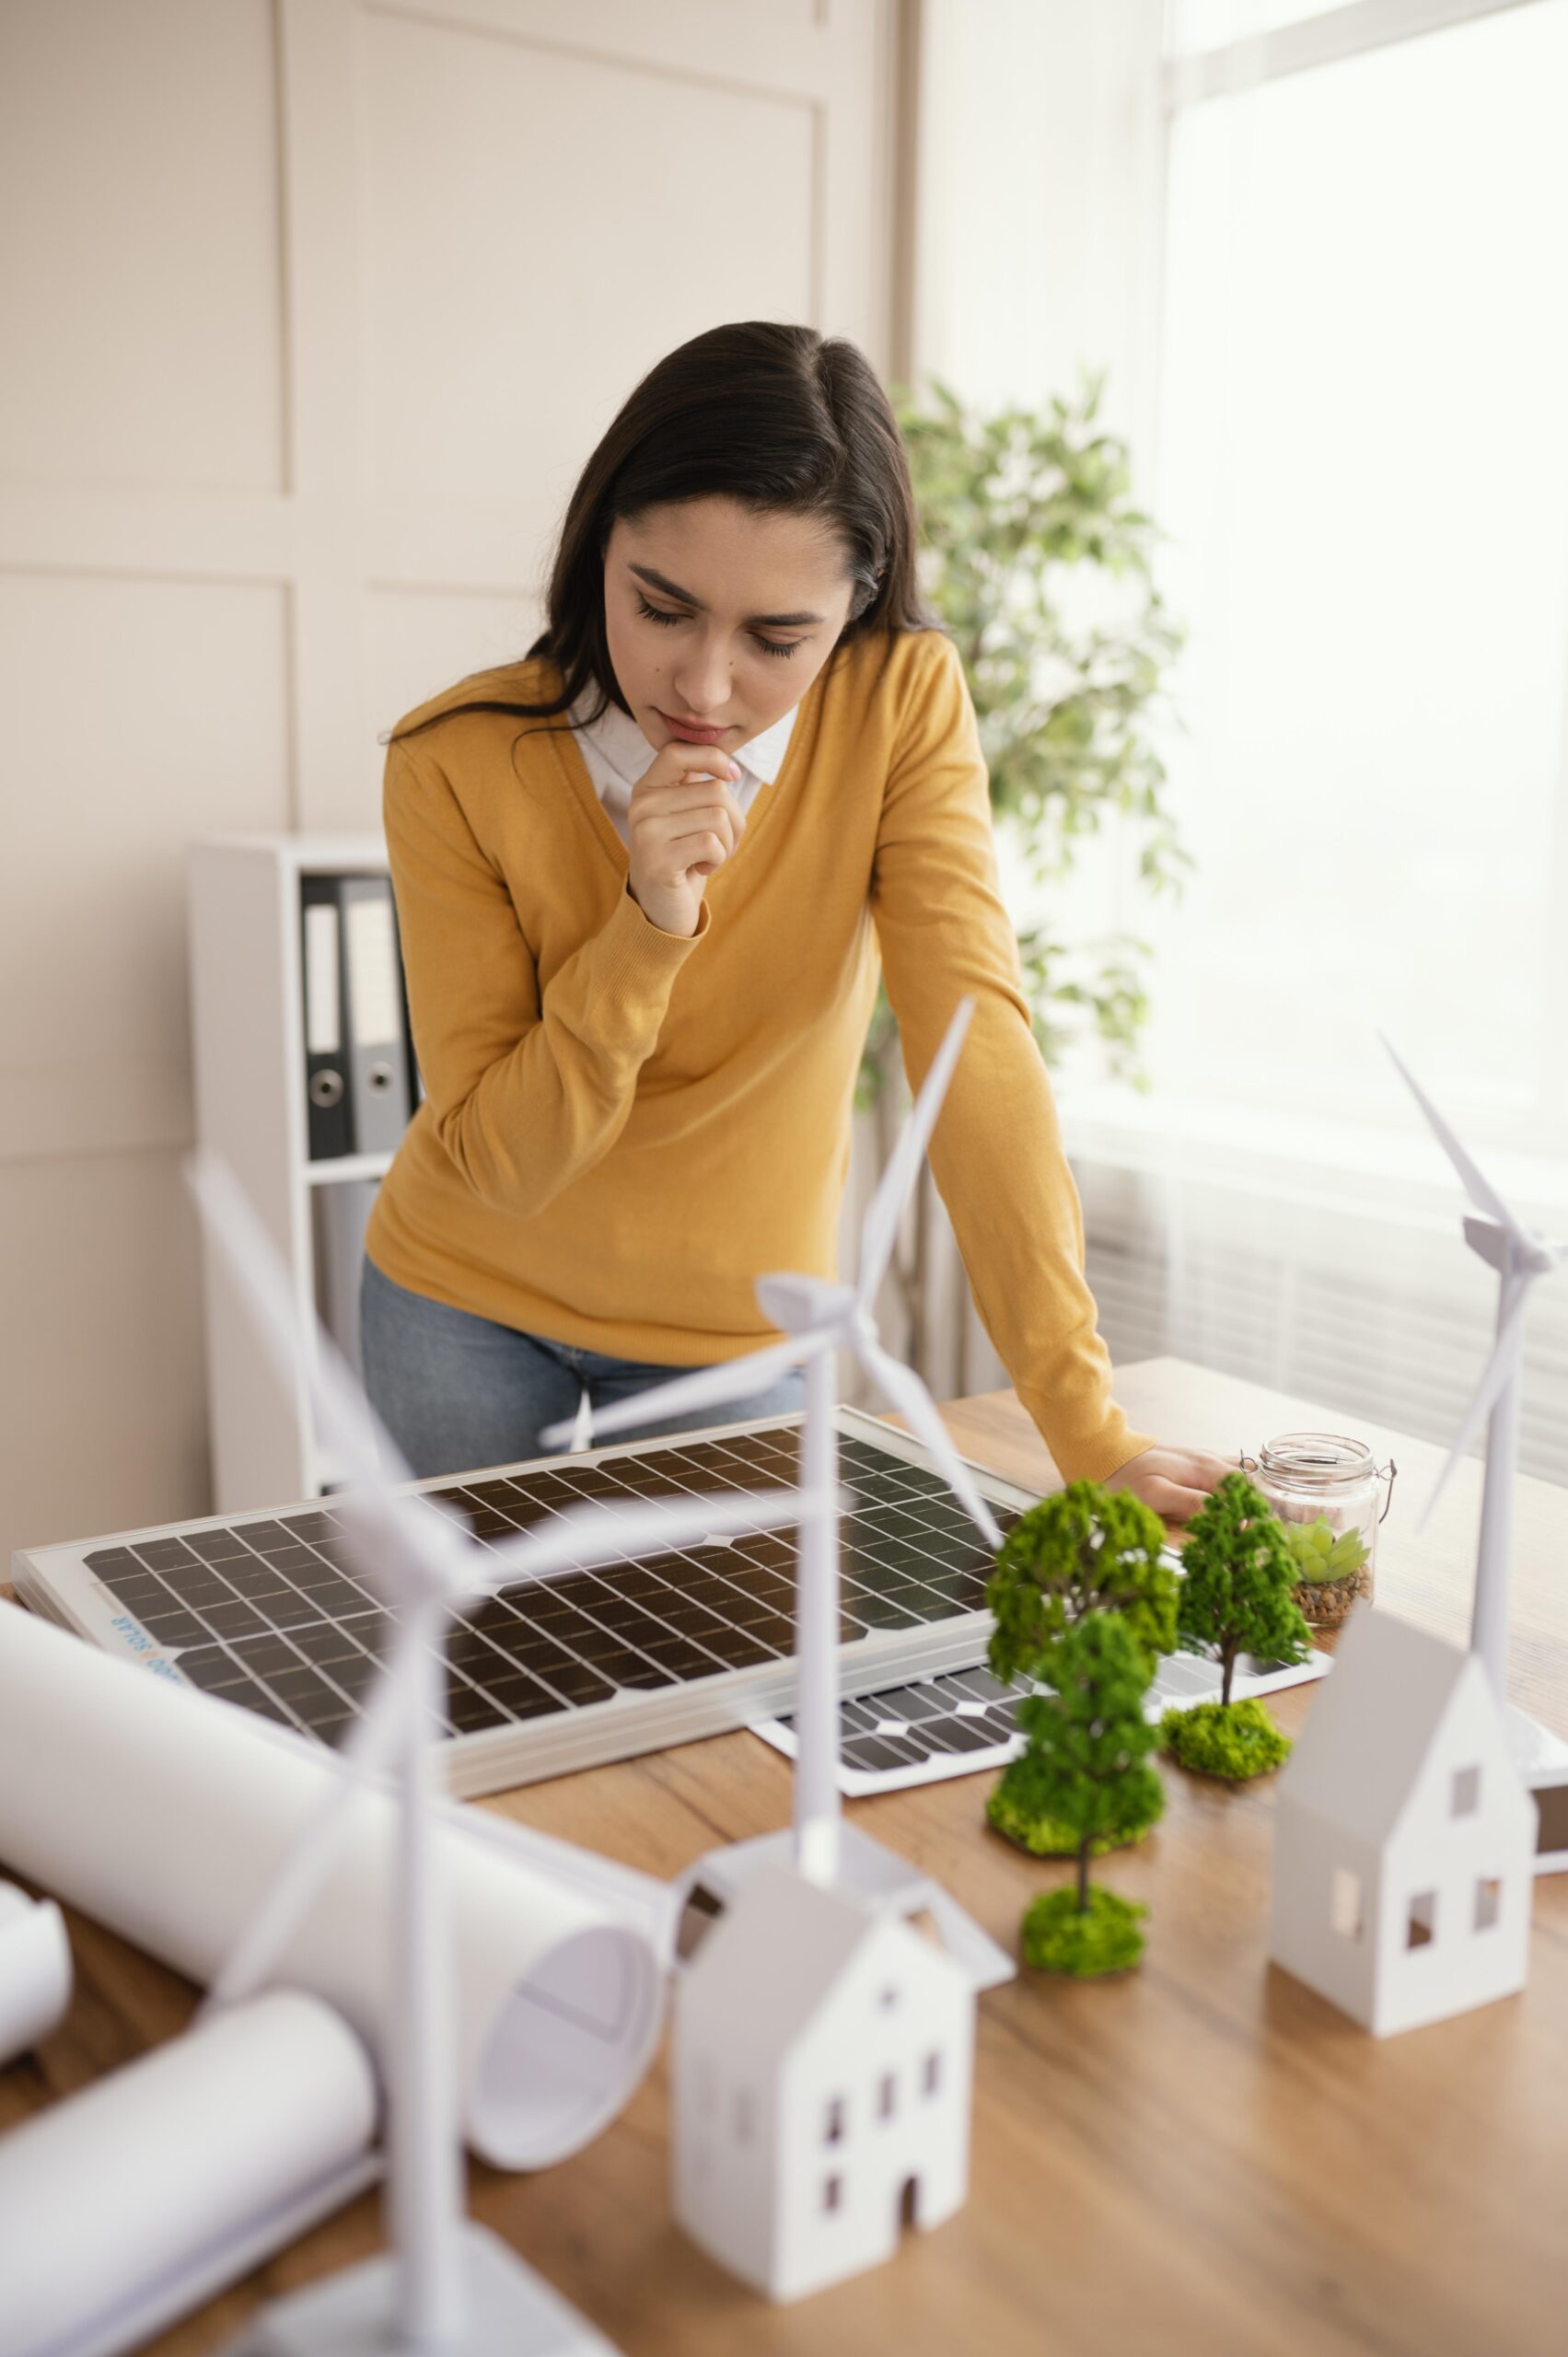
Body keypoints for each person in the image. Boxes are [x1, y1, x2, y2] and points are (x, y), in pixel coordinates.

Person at [361, 319, 1227, 1522]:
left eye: (777, 638)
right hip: (461, 1302)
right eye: (662, 608)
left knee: (749, 1696)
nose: (706, 687)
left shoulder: (898, 703)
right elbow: (504, 1168)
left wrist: (1084, 1426)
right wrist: (650, 922)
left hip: (741, 1340)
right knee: (481, 1688)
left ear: (855, 608)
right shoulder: (453, 758)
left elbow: (972, 1048)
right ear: (599, 543)